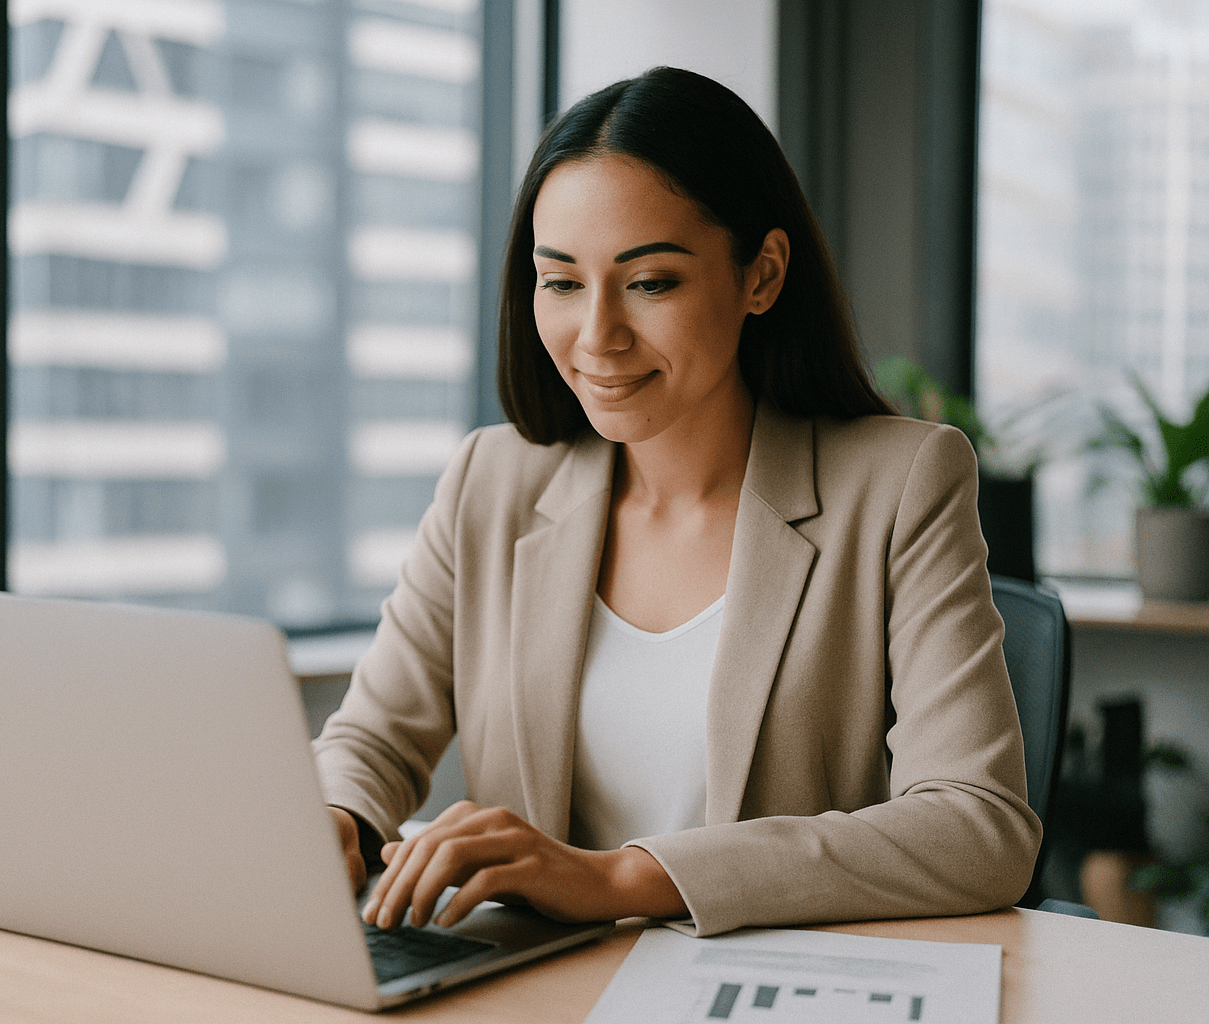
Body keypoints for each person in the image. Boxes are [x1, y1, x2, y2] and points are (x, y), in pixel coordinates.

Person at [315, 66, 1041, 938]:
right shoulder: (492, 481)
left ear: (761, 276)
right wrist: (339, 820)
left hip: (766, 984)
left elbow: (977, 826)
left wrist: (625, 878)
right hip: (536, 986)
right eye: (561, 282)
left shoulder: (900, 484)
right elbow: (372, 740)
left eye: (651, 282)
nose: (598, 337)